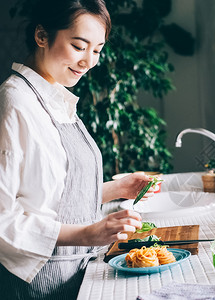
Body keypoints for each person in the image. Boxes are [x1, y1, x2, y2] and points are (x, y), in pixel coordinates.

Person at [0, 0, 153, 298]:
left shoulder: (55, 97)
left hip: (77, 271)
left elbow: (48, 193)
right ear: (42, 36)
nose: (89, 62)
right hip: (40, 281)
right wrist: (86, 234)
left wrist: (116, 188)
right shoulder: (15, 103)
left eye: (96, 50)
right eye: (79, 46)